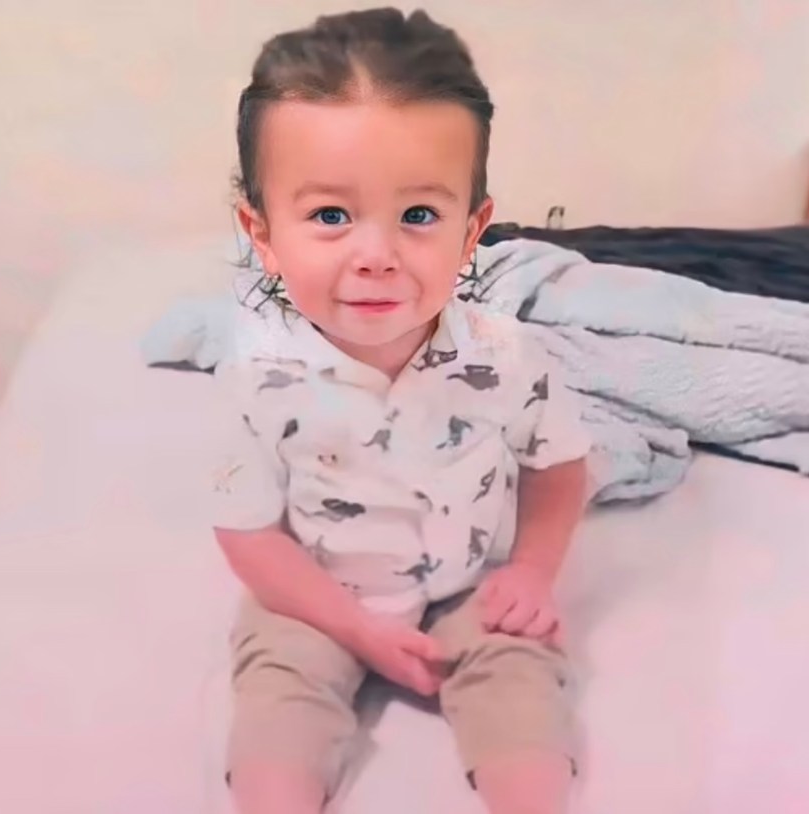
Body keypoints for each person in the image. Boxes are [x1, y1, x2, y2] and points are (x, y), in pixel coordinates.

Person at [211, 8, 590, 813]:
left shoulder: (508, 354)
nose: (376, 253)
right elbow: (248, 537)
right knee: (277, 702)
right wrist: (357, 633)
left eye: (419, 216)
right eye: (329, 216)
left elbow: (558, 465)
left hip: (468, 584)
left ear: (471, 230)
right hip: (314, 591)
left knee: (524, 681)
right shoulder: (252, 375)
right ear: (262, 234)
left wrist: (531, 570)